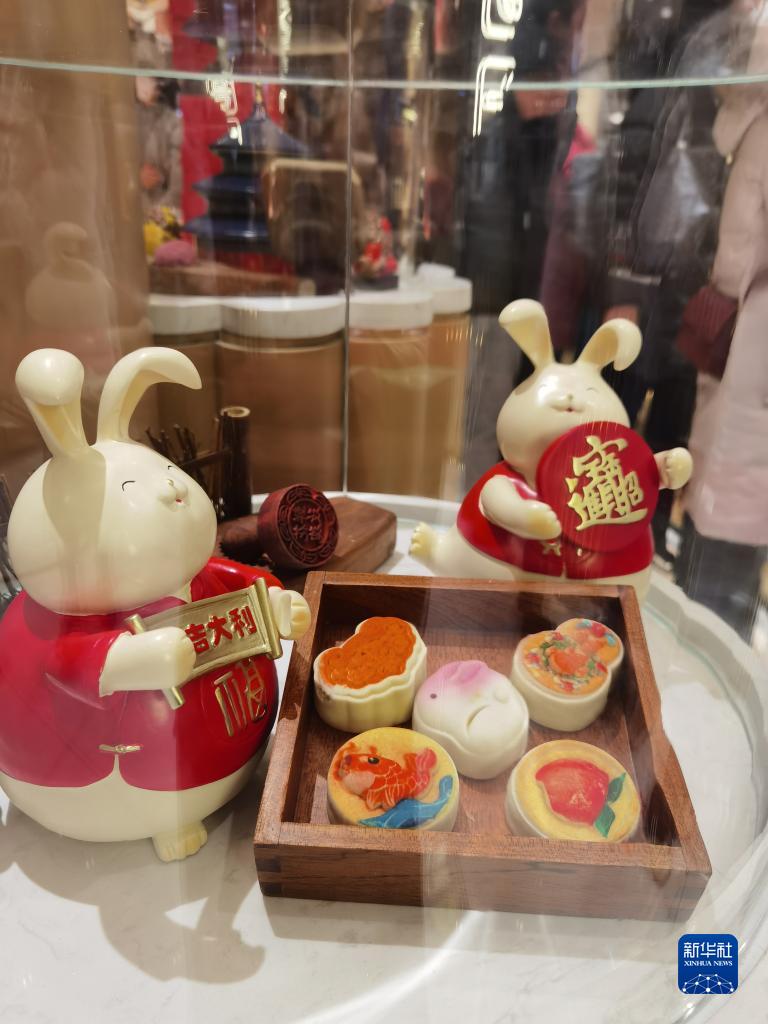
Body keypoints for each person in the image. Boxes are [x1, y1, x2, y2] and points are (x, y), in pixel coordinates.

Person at [675, 58, 768, 640]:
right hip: (755, 341)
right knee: (742, 514)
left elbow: (735, 255)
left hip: (750, 335)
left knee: (723, 504)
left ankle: (697, 647)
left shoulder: (754, 125)